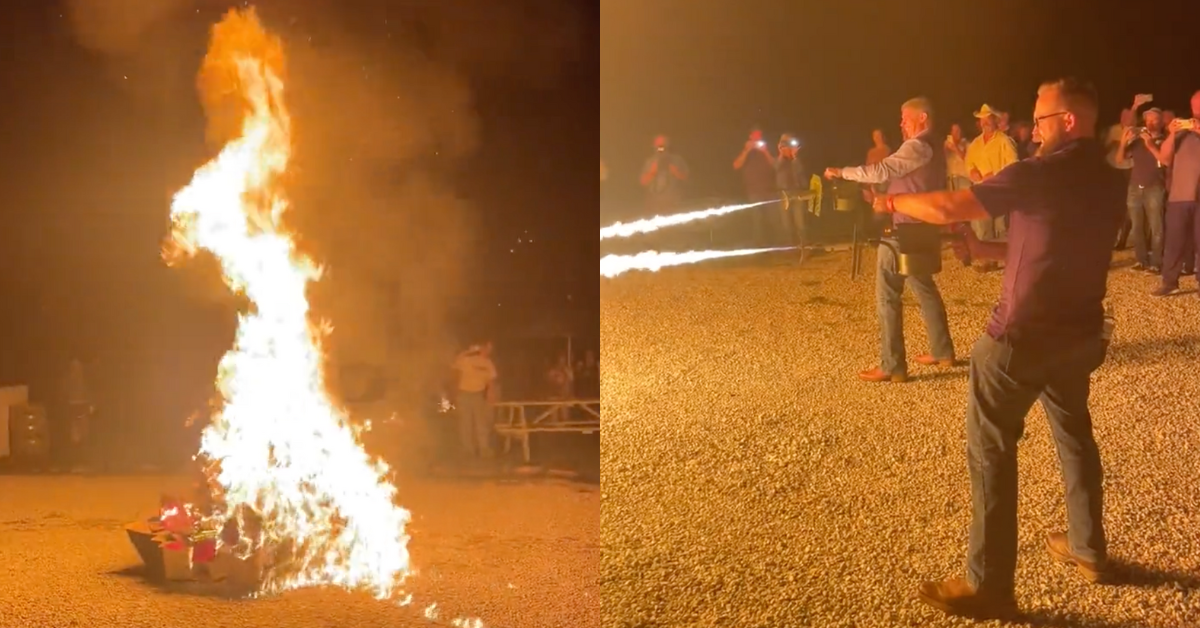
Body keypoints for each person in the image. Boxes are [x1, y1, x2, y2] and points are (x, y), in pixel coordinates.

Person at [871, 77, 1123, 618]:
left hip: (1019, 339)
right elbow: (1055, 240)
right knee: (1076, 438)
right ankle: (1089, 549)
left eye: (1042, 121)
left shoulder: (1038, 172)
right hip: (1076, 335)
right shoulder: (1106, 179)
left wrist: (892, 198)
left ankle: (988, 586)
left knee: (991, 453)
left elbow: (948, 205)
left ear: (1070, 121)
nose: (1033, 132)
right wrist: (985, 246)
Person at [824, 97, 955, 382]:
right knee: (924, 288)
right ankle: (943, 351)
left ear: (922, 118)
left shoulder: (919, 145)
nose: (901, 123)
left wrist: (842, 172)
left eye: (905, 117)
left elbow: (883, 170)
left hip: (904, 229)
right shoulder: (935, 146)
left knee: (887, 296)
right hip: (922, 226)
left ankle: (892, 365)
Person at [1153, 90, 1200, 297]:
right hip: (1179, 196)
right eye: (1194, 104)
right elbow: (1164, 158)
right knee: (1174, 242)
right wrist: (1172, 133)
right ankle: (1170, 282)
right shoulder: (1181, 131)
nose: (1196, 108)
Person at [965, 104, 1019, 269]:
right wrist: (972, 170)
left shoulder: (1004, 141)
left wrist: (995, 174)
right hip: (981, 190)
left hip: (999, 189)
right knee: (983, 225)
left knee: (1000, 226)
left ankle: (1005, 257)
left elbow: (1014, 164)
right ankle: (988, 260)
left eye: (988, 119)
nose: (984, 123)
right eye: (982, 120)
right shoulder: (976, 143)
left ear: (995, 121)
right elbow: (969, 161)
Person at [1115, 107, 1167, 273]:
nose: (1150, 123)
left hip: (1155, 187)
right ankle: (1141, 260)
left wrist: (1150, 144)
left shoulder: (1166, 140)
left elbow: (1165, 161)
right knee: (1137, 227)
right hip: (1135, 187)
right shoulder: (1137, 141)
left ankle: (1157, 262)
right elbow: (1119, 160)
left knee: (1156, 227)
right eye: (1147, 120)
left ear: (1161, 122)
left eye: (1154, 120)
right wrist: (1124, 142)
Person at [450, 341, 498, 460]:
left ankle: (484, 449)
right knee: (465, 424)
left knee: (481, 424)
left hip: (478, 395)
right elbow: (454, 365)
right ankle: (467, 450)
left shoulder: (488, 363)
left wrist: (490, 395)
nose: (488, 351)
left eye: (490, 349)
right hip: (464, 394)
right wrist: (469, 351)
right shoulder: (467, 360)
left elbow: (491, 381)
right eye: (487, 348)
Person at [732, 128, 779, 245]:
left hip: (770, 189)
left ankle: (777, 245)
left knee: (774, 219)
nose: (757, 139)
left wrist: (765, 151)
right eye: (755, 137)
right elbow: (736, 165)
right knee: (757, 221)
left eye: (759, 136)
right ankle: (761, 246)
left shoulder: (766, 148)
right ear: (750, 137)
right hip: (753, 190)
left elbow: (775, 165)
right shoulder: (746, 150)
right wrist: (746, 150)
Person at [776, 133, 812, 260]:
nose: (788, 147)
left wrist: (794, 157)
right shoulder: (780, 161)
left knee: (800, 222)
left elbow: (801, 174)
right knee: (786, 224)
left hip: (797, 194)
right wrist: (781, 154)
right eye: (785, 144)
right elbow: (776, 170)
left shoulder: (795, 161)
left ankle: (804, 249)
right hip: (784, 194)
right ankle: (790, 251)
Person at [639, 135, 689, 213]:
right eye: (658, 147)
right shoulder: (650, 162)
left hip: (673, 200)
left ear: (668, 146)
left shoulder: (677, 160)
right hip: (654, 202)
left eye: (663, 146)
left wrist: (676, 172)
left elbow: (687, 179)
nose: (660, 149)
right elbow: (643, 182)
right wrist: (652, 172)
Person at [944, 123, 971, 191]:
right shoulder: (947, 145)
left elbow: (968, 159)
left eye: (958, 131)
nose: (956, 133)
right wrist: (945, 148)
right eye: (954, 131)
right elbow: (941, 160)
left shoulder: (967, 145)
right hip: (950, 180)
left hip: (963, 179)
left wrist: (955, 148)